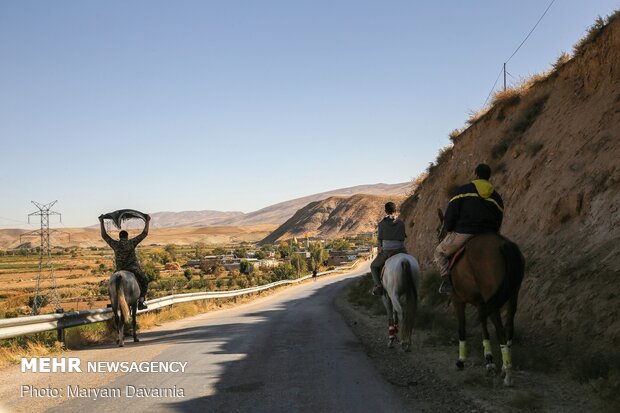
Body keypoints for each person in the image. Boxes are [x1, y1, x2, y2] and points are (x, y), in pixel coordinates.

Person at [435, 163, 504, 295]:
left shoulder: (464, 190)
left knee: (439, 253)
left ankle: (447, 284)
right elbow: (499, 218)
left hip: (465, 232)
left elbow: (452, 212)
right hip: (490, 234)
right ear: (488, 177)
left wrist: (449, 228)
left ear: (476, 175)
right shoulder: (496, 197)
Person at [99, 214, 151, 309]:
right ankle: (141, 301)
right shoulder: (131, 242)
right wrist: (147, 221)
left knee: (111, 283)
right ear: (127, 237)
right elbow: (144, 233)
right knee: (144, 280)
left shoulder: (115, 244)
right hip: (133, 269)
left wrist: (101, 222)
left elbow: (104, 235)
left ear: (119, 237)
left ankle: (113, 300)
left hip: (119, 269)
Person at [370, 202, 407, 296]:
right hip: (401, 250)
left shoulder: (381, 224)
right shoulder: (401, 222)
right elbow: (403, 236)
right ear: (395, 210)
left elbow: (380, 239)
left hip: (387, 252)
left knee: (373, 266)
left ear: (385, 211)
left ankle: (379, 286)